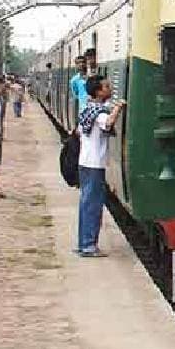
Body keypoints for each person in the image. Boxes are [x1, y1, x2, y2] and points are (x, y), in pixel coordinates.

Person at [76, 75, 126, 257]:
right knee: (93, 205)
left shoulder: (88, 109)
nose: (110, 88)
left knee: (86, 204)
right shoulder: (99, 112)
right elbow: (108, 122)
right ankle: (89, 246)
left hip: (85, 162)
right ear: (98, 91)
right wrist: (119, 107)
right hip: (94, 165)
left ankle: (84, 243)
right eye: (106, 86)